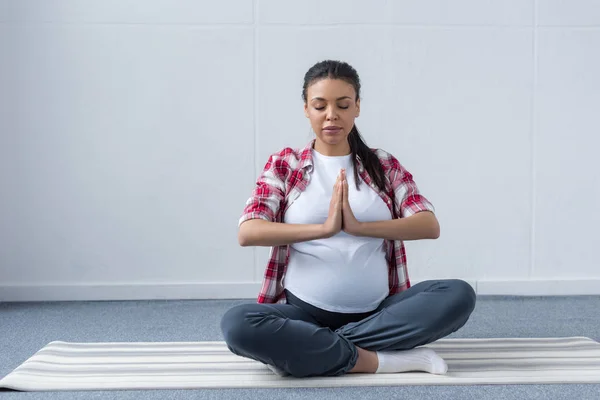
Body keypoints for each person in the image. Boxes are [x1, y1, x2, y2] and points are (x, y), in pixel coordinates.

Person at [220, 60, 476, 378]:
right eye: (320, 105)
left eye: (343, 105)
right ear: (306, 109)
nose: (332, 115)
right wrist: (324, 229)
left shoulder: (382, 165)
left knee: (459, 295)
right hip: (303, 314)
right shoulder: (285, 164)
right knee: (237, 324)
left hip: (379, 312)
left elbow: (427, 224)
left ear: (357, 108)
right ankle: (382, 360)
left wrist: (359, 228)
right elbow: (249, 231)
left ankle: (315, 351)